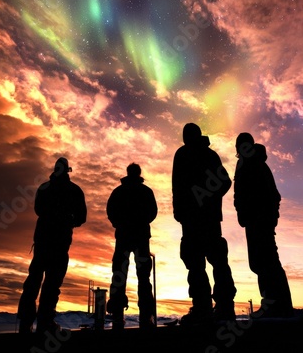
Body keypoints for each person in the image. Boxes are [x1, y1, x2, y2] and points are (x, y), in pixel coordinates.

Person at [172, 123, 236, 325]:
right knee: (196, 264)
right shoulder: (183, 154)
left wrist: (206, 198)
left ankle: (223, 306)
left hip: (206, 218)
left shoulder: (208, 155)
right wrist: (180, 210)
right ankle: (203, 307)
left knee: (215, 261)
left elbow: (224, 181)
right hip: (191, 219)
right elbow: (177, 186)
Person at [17, 157, 87, 335]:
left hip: (43, 240)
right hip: (59, 242)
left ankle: (26, 322)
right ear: (68, 171)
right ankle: (44, 323)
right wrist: (69, 220)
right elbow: (81, 217)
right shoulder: (74, 190)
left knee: (34, 280)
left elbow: (38, 210)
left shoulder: (44, 188)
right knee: (51, 284)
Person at [234, 133, 293, 318]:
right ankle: (271, 303)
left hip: (261, 221)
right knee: (260, 263)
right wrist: (241, 211)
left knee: (268, 261)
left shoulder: (258, 164)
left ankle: (280, 305)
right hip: (252, 220)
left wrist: (270, 217)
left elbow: (273, 195)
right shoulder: (244, 165)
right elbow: (240, 193)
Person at [106, 163, 158, 331]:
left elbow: (111, 211)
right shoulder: (145, 191)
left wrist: (120, 224)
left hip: (125, 236)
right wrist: (141, 222)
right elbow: (152, 212)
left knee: (120, 275)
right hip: (139, 236)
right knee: (143, 276)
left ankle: (118, 316)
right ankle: (144, 316)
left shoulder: (119, 192)